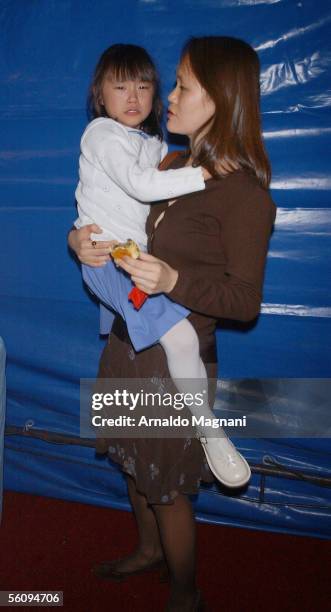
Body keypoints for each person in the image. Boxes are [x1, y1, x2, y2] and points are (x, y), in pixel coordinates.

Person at [69, 36, 276, 612]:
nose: (164, 95)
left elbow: (244, 302)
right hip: (123, 340)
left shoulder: (243, 193)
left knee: (166, 488)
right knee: (133, 467)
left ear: (221, 95)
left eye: (181, 84)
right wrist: (77, 240)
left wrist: (175, 282)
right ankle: (147, 551)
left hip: (172, 362)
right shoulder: (167, 161)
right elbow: (106, 207)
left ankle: (184, 591)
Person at [74, 42, 250, 487]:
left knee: (182, 340)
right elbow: (140, 184)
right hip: (113, 257)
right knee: (179, 336)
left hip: (130, 260)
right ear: (100, 94)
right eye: (120, 87)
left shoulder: (153, 144)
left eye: (144, 86)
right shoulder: (101, 134)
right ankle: (210, 431)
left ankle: (205, 430)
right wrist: (204, 174)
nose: (133, 97)